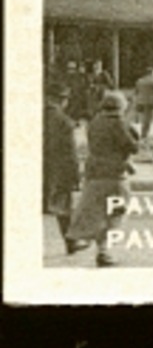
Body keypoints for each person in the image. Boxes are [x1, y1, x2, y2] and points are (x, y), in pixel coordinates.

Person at [66, 92, 139, 266]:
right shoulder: (119, 123)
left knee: (96, 210)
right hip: (115, 174)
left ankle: (88, 241)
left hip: (94, 172)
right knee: (116, 212)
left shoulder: (95, 122)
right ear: (121, 106)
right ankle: (103, 249)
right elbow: (131, 146)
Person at [44, 86, 83, 254]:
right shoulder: (63, 121)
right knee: (64, 207)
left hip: (41, 168)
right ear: (62, 100)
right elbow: (70, 152)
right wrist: (75, 174)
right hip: (59, 171)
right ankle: (71, 242)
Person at [132, 65, 153, 148]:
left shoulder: (139, 81)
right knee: (147, 121)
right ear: (151, 73)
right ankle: (144, 137)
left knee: (143, 119)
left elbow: (135, 92)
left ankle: (142, 136)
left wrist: (135, 103)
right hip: (149, 103)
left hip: (140, 102)